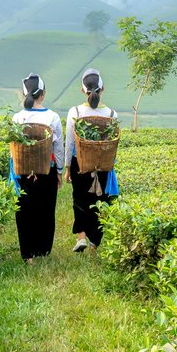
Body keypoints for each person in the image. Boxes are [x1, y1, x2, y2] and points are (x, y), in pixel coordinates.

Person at [10, 73, 64, 262]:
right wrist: (59, 171)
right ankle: (42, 250)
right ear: (43, 94)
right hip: (46, 171)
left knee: (25, 212)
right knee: (46, 210)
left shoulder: (17, 118)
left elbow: (13, 149)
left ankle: (28, 254)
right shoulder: (52, 117)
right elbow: (58, 147)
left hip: (23, 171)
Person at [65, 67, 119, 252]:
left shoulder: (75, 112)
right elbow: (113, 145)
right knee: (99, 202)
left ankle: (81, 237)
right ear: (102, 89)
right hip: (102, 166)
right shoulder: (112, 114)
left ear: (83, 90)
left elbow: (69, 143)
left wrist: (65, 168)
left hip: (79, 163)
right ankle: (95, 244)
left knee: (79, 199)